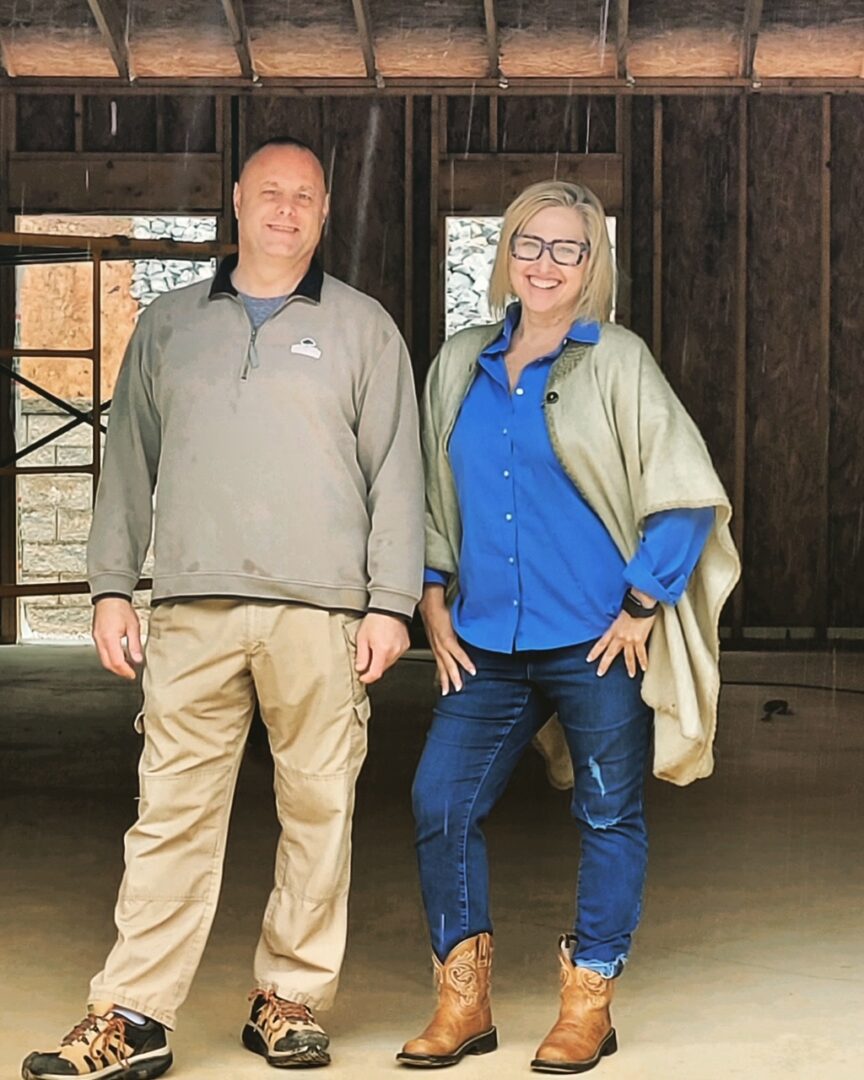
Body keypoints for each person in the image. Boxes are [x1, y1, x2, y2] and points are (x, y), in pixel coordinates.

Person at [22, 136, 424, 1079]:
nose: (287, 211)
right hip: (193, 611)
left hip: (322, 615)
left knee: (319, 809)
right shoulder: (168, 327)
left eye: (307, 198)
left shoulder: (366, 330)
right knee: (169, 814)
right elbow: (128, 466)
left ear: (326, 214)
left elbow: (398, 475)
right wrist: (111, 586)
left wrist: (390, 603)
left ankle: (289, 997)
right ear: (235, 205)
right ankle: (133, 1013)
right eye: (270, 193)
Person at [397, 180, 740, 1074]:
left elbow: (685, 494)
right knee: (441, 801)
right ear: (506, 253)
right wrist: (432, 591)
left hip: (594, 639)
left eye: (568, 249)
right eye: (529, 245)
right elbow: (432, 489)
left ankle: (589, 1001)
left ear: (594, 268)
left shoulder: (618, 360)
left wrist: (641, 604)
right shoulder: (461, 360)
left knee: (607, 811)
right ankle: (461, 1002)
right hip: (484, 641)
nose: (545, 264)